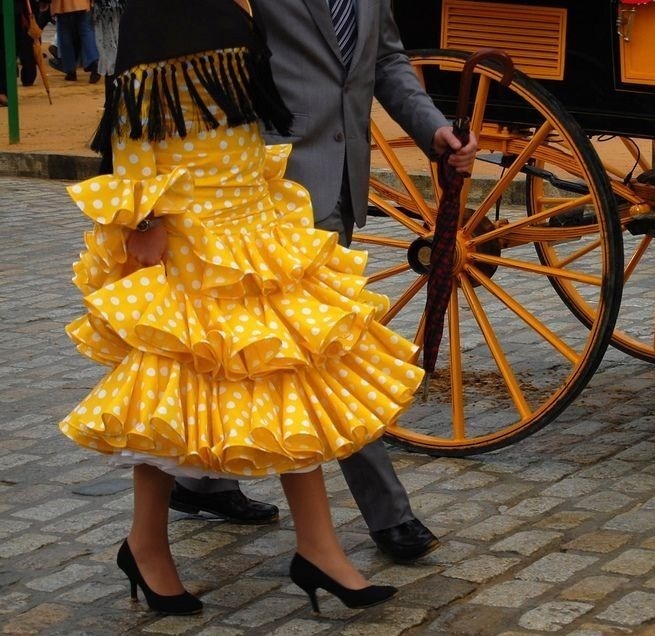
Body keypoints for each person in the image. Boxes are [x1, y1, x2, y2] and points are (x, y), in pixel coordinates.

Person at [60, 0, 426, 615]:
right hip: (188, 228)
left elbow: (248, 121)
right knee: (168, 394)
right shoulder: (159, 11)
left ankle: (317, 547)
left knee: (289, 372)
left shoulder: (236, 9)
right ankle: (147, 544)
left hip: (251, 219)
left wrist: (266, 199)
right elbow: (133, 124)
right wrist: (144, 220)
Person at [168, 0, 478, 564]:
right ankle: (390, 515)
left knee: (259, 348)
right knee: (327, 354)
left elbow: (386, 61)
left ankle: (200, 482)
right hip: (268, 191)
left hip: (340, 187)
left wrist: (433, 129)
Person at [51, 0, 100, 82]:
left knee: (64, 33)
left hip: (62, 4)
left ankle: (70, 70)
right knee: (86, 30)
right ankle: (93, 62)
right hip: (82, 2)